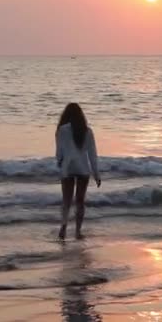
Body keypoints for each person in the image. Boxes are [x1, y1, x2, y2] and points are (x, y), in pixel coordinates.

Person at [55, 103, 101, 240]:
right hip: (83, 169)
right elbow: (92, 155)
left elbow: (59, 152)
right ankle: (77, 231)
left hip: (67, 168)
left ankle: (63, 229)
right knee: (80, 201)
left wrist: (60, 163)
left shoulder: (61, 130)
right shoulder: (87, 131)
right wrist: (96, 174)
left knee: (66, 201)